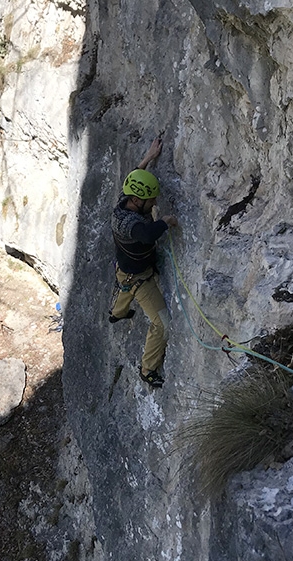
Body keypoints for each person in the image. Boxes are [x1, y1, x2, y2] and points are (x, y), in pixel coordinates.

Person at [109, 136, 180, 388]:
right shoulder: (131, 225)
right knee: (162, 324)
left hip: (125, 269)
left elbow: (136, 175)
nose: (155, 204)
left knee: (123, 289)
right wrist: (166, 221)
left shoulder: (125, 200)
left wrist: (149, 157)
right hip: (140, 278)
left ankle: (117, 314)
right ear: (138, 202)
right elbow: (148, 234)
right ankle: (148, 369)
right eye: (151, 201)